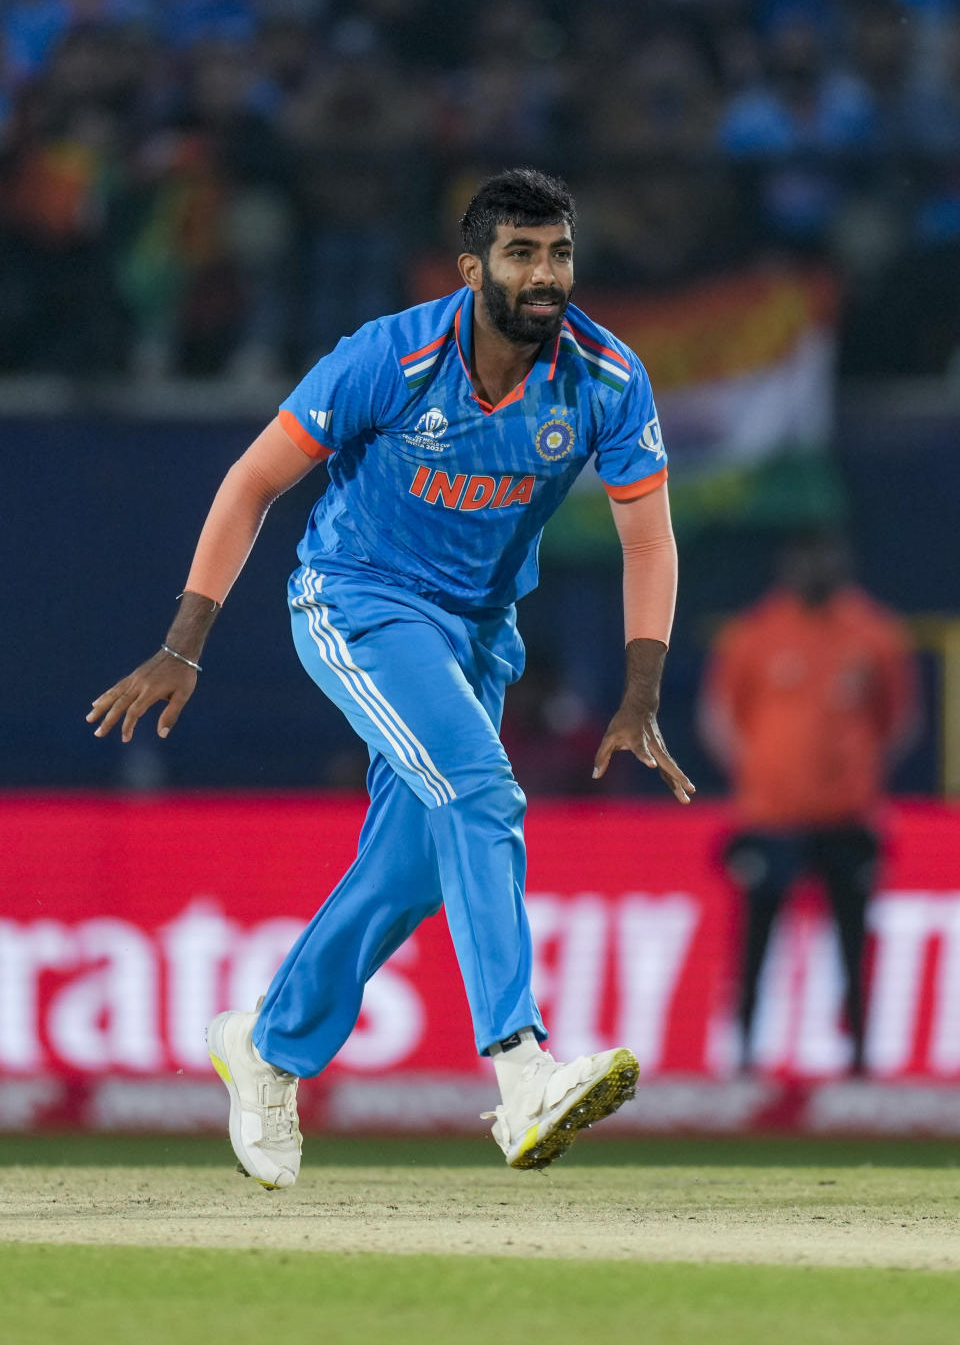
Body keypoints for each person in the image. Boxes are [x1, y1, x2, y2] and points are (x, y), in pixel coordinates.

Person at [87, 168, 695, 1187]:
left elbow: (650, 543)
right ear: (474, 268)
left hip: (478, 635)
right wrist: (184, 642)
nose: (545, 275)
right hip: (357, 602)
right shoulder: (390, 356)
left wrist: (641, 695)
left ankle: (269, 1046)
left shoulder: (605, 375)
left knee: (415, 867)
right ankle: (522, 1071)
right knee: (485, 792)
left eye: (559, 253)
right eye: (521, 254)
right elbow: (252, 484)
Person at [699, 529, 919, 1075]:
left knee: (852, 937)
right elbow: (721, 717)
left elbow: (898, 720)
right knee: (756, 937)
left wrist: (856, 773)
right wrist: (761, 773)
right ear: (787, 564)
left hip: (848, 817)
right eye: (806, 556)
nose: (817, 567)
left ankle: (861, 1055)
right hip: (771, 817)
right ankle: (745, 1050)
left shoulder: (873, 633)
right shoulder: (757, 633)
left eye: (826, 556)